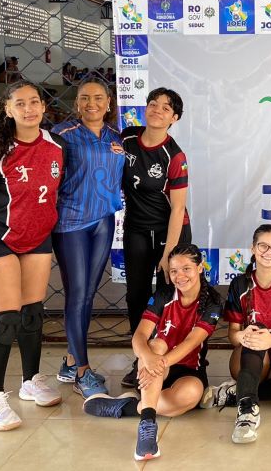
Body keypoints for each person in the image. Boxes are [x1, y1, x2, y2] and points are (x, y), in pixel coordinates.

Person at [0, 80, 65, 431]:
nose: (29, 109)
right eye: (20, 104)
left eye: (34, 102)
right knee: (5, 318)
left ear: (42, 106)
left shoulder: (56, 145)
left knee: (32, 314)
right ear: (7, 110)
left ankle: (31, 380)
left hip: (37, 238)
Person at [83, 244, 222, 462]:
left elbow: (191, 342)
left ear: (200, 268)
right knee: (156, 344)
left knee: (192, 395)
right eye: (174, 270)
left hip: (188, 370)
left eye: (186, 268)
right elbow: (139, 336)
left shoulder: (212, 303)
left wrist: (160, 363)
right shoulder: (163, 294)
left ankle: (128, 407)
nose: (180, 276)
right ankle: (147, 426)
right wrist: (148, 358)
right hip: (155, 366)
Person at [200, 224, 271, 444]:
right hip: (246, 359)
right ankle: (246, 413)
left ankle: (239, 392)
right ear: (253, 248)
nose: (269, 252)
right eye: (263, 245)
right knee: (257, 332)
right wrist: (244, 336)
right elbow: (232, 335)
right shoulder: (240, 284)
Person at [51, 77, 124, 398]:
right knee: (77, 295)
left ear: (109, 103)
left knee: (87, 295)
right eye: (84, 98)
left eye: (98, 98)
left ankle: (69, 360)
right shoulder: (62, 136)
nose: (91, 103)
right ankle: (82, 371)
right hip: (71, 223)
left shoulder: (116, 137)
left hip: (104, 222)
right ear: (77, 103)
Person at [119, 87, 192, 388]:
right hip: (136, 228)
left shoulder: (174, 155)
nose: (157, 110)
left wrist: (169, 254)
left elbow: (178, 209)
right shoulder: (126, 138)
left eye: (165, 108)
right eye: (153, 104)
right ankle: (141, 360)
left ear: (174, 118)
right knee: (136, 296)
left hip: (169, 231)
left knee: (167, 296)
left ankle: (170, 363)